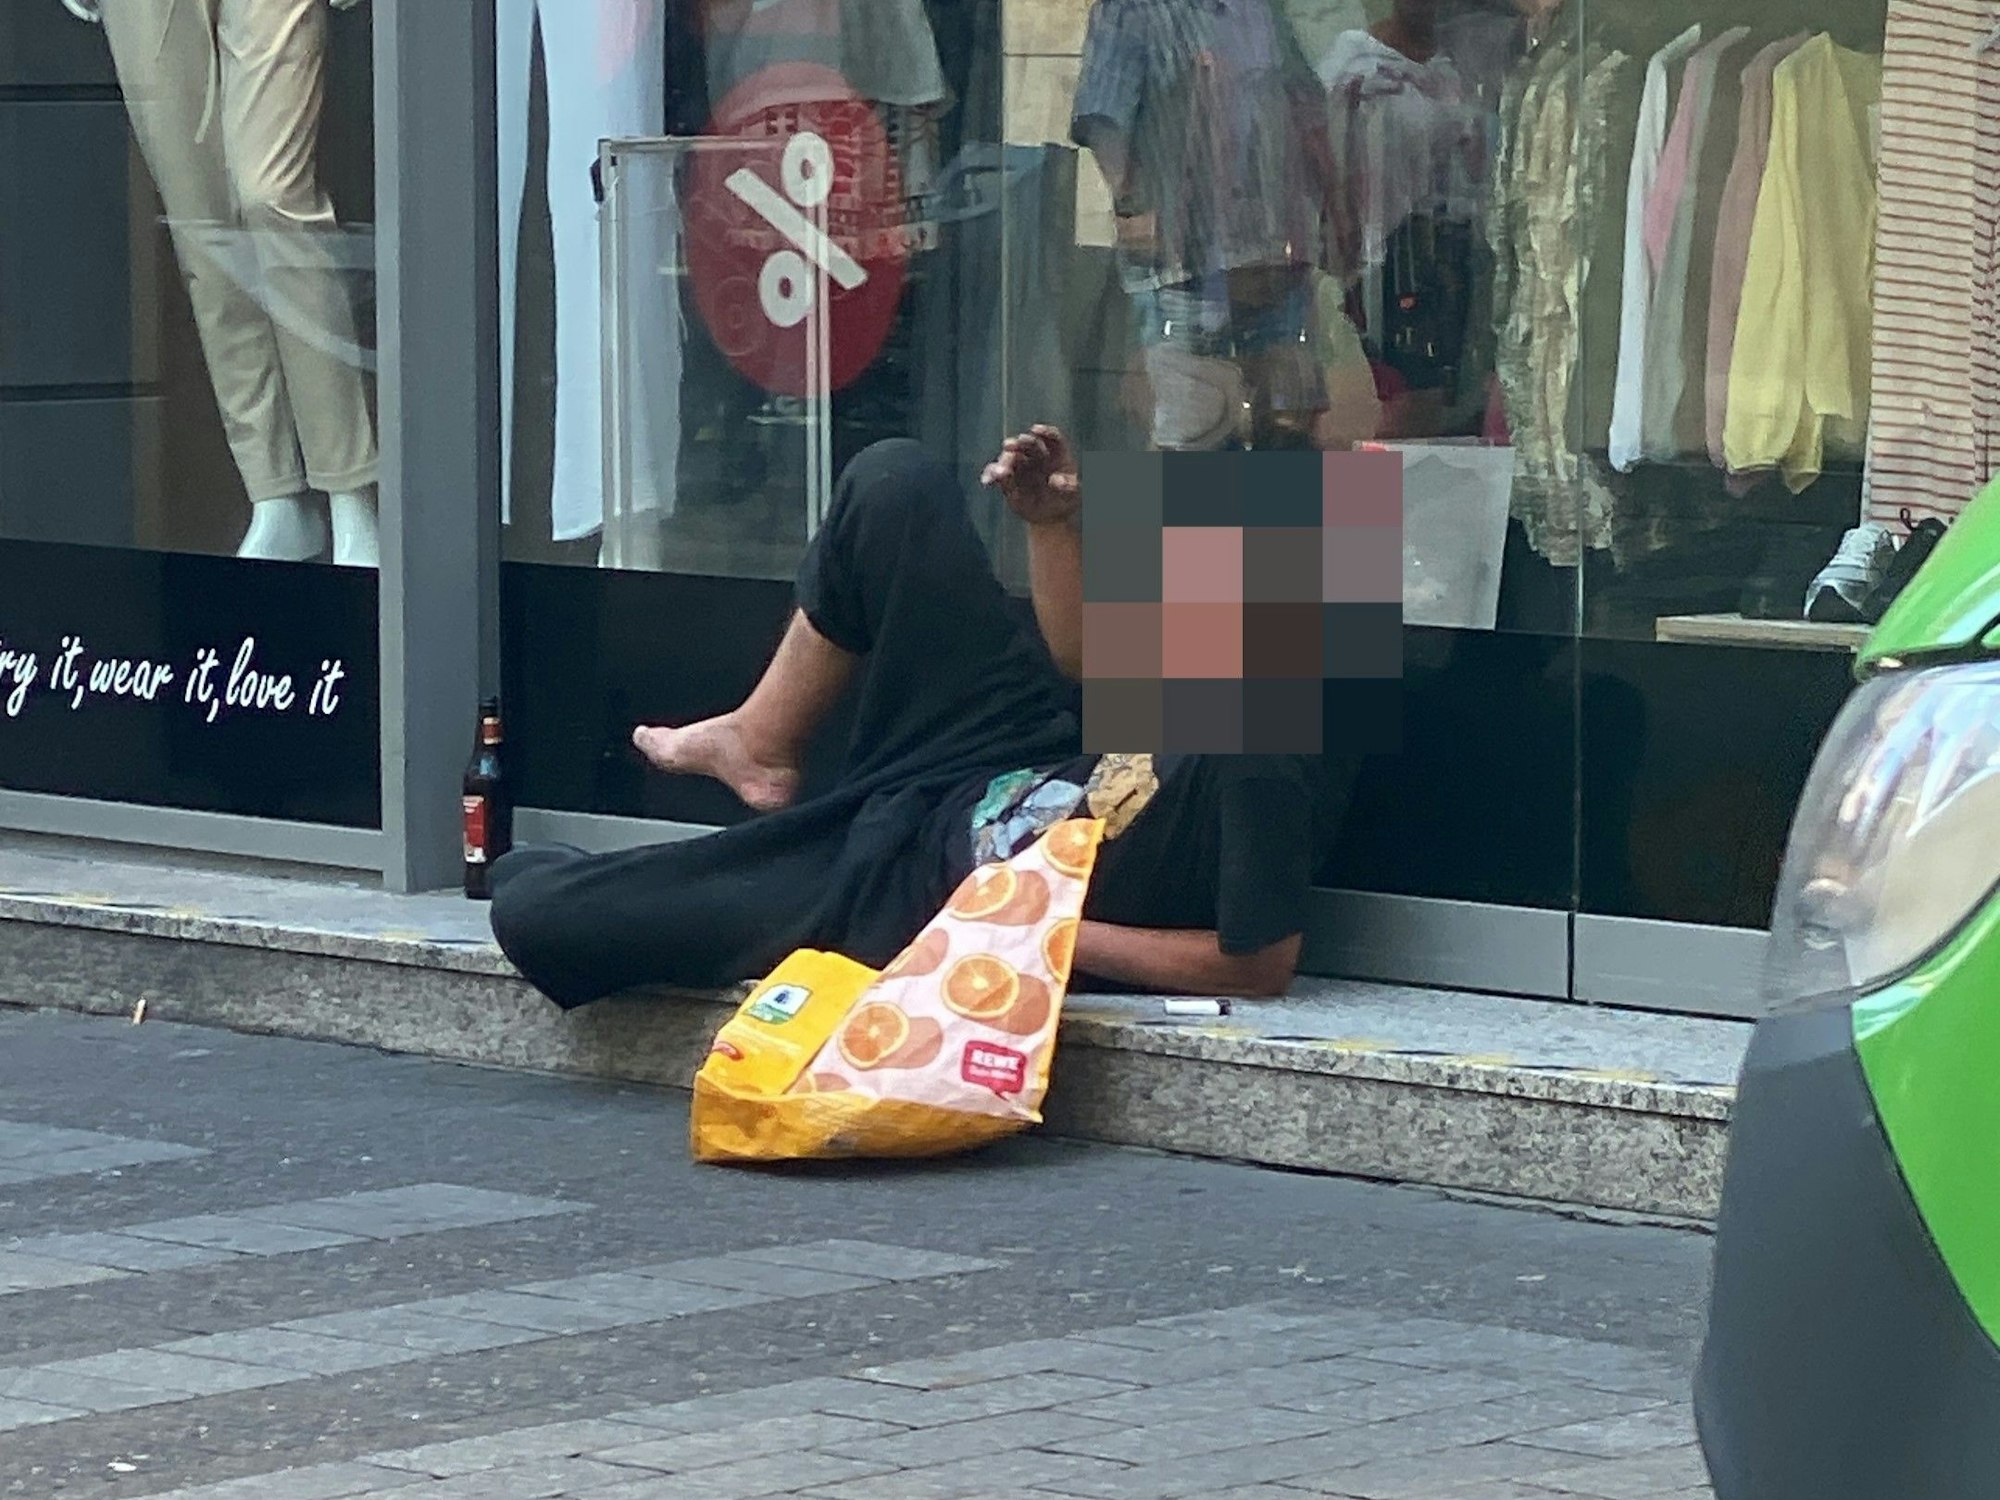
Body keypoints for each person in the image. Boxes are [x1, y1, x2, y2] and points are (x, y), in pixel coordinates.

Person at [489, 429, 1353, 1007]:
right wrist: (1054, 527)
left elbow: (1257, 965)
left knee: (536, 907)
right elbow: (1087, 666)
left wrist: (1037, 927)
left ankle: (646, 863)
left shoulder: (1268, 744)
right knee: (895, 482)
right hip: (1000, 756)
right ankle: (761, 739)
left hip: (920, 886)